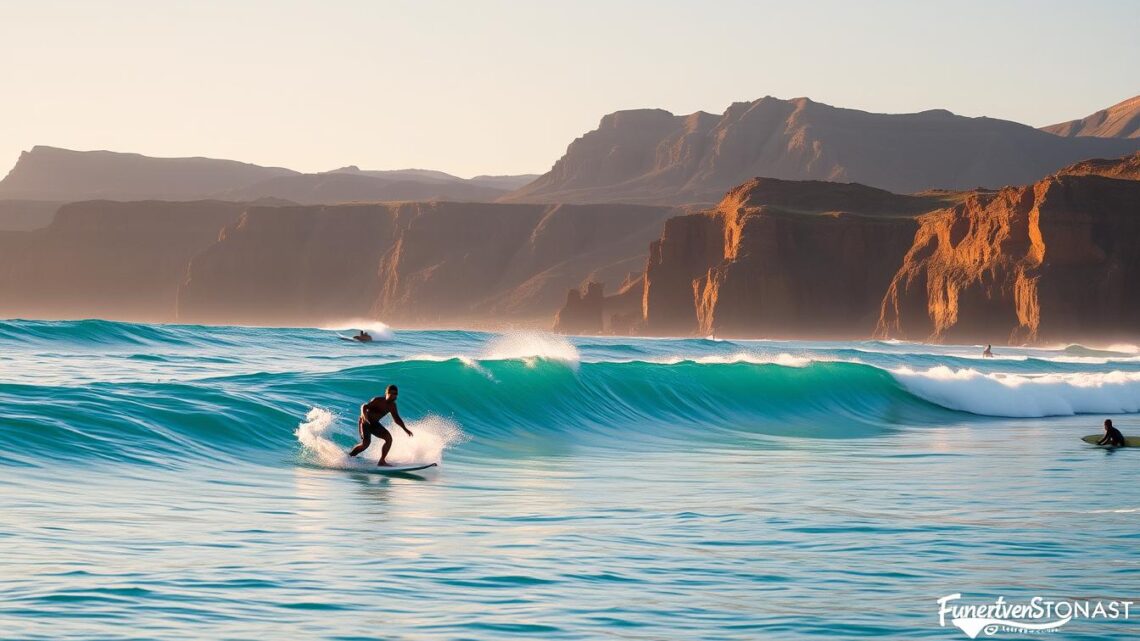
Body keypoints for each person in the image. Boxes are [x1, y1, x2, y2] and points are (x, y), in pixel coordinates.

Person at [348, 384, 413, 465]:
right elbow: (364, 406)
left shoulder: (392, 406)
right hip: (366, 423)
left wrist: (405, 429)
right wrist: (364, 418)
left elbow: (397, 419)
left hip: (375, 424)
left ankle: (382, 461)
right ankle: (349, 457)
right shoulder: (377, 400)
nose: (394, 396)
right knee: (365, 444)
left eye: (395, 394)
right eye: (392, 393)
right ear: (387, 393)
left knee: (389, 439)